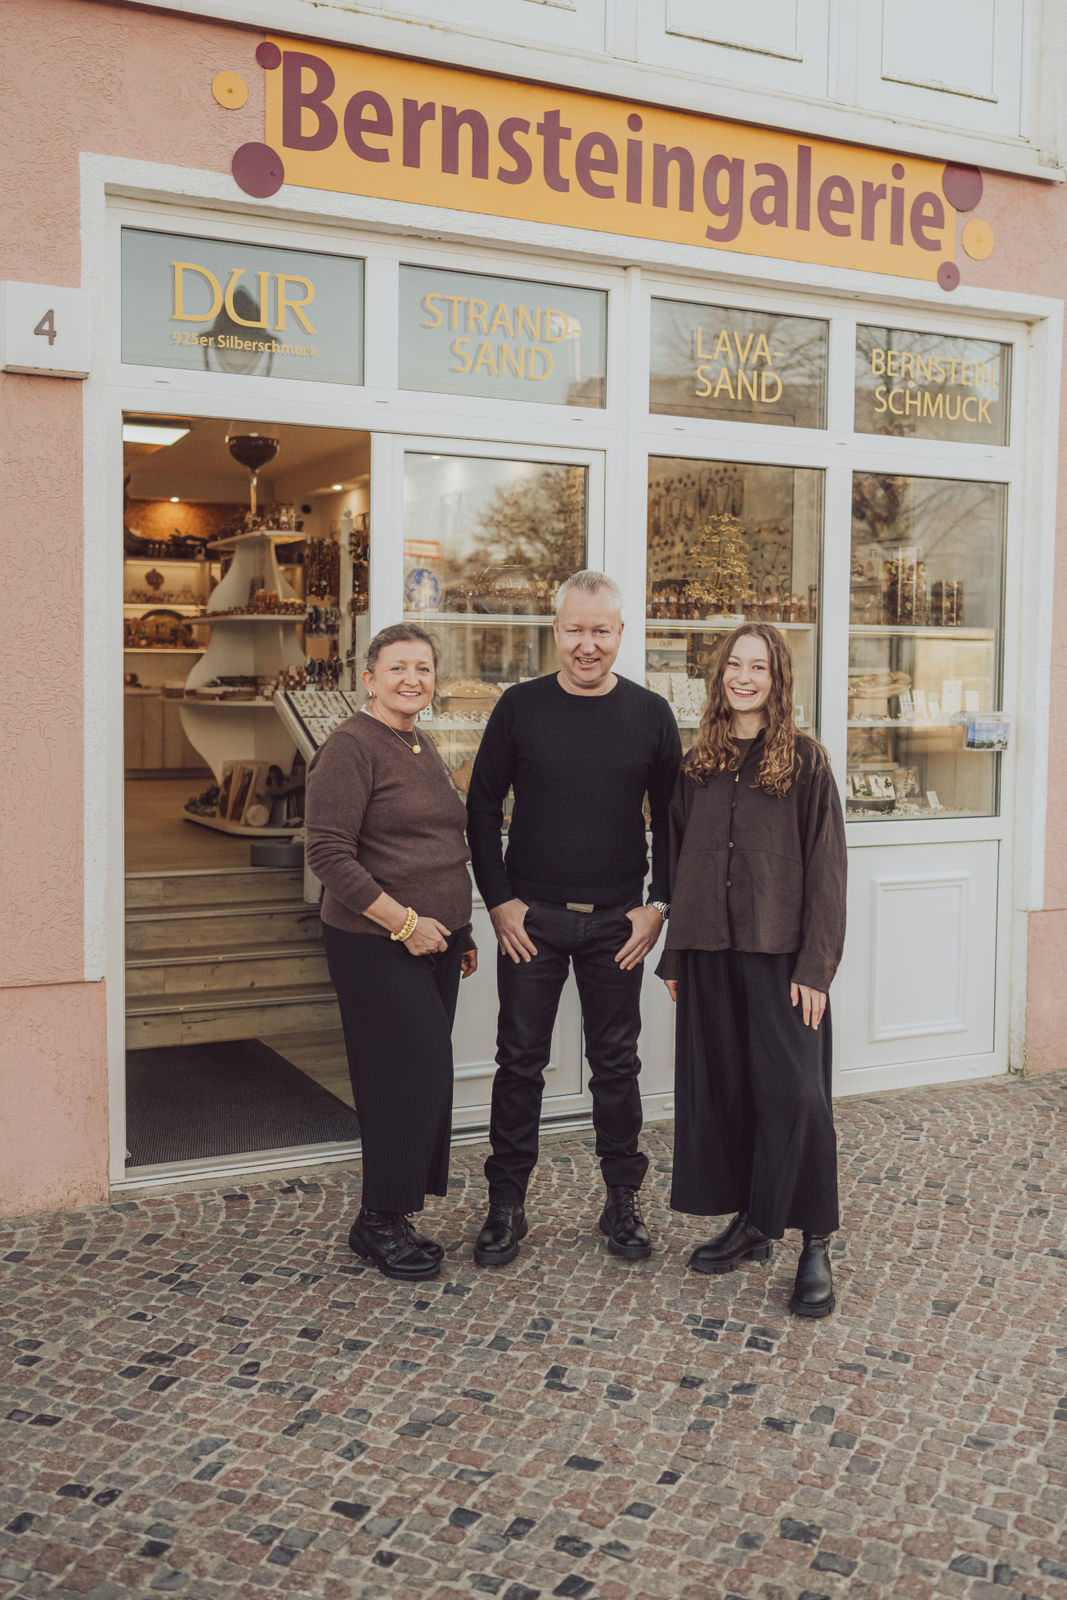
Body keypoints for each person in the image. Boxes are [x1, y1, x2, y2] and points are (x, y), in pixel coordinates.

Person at [466, 570, 681, 1267]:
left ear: (621, 633)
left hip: (618, 925)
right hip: (532, 923)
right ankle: (506, 1207)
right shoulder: (518, 708)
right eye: (573, 629)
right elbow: (480, 807)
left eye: (600, 630)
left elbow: (675, 823)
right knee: (518, 1063)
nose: (586, 644)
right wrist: (498, 900)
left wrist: (658, 905)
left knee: (616, 1068)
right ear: (554, 630)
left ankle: (621, 1202)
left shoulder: (650, 715)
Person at [658, 623, 847, 1318]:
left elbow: (827, 869)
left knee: (796, 1098)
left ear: (777, 678)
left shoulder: (804, 761)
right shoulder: (696, 764)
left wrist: (816, 968)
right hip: (709, 956)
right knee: (729, 1092)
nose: (743, 677)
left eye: (757, 667)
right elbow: (676, 864)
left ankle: (814, 1244)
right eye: (733, 665)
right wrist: (675, 953)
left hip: (781, 961)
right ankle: (751, 1225)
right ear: (719, 677)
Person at [306, 623, 477, 1282]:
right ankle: (377, 1221)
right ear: (368, 677)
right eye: (399, 667)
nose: (413, 679)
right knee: (405, 1077)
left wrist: (454, 935)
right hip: (376, 943)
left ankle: (394, 1211)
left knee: (422, 1079)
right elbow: (326, 854)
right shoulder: (350, 747)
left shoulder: (415, 741)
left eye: (424, 669)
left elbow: (431, 844)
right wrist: (406, 925)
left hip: (433, 943)